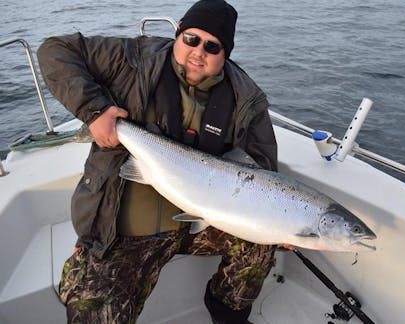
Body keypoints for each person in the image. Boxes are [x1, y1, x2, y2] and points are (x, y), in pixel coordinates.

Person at [37, 1, 278, 323]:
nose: (198, 52)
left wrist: (278, 222)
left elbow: (262, 167)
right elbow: (55, 50)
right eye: (191, 39)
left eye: (212, 46)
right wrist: (95, 111)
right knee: (93, 312)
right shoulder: (132, 60)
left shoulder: (246, 99)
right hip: (123, 233)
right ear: (178, 31)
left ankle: (226, 312)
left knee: (262, 242)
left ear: (226, 53)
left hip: (200, 225)